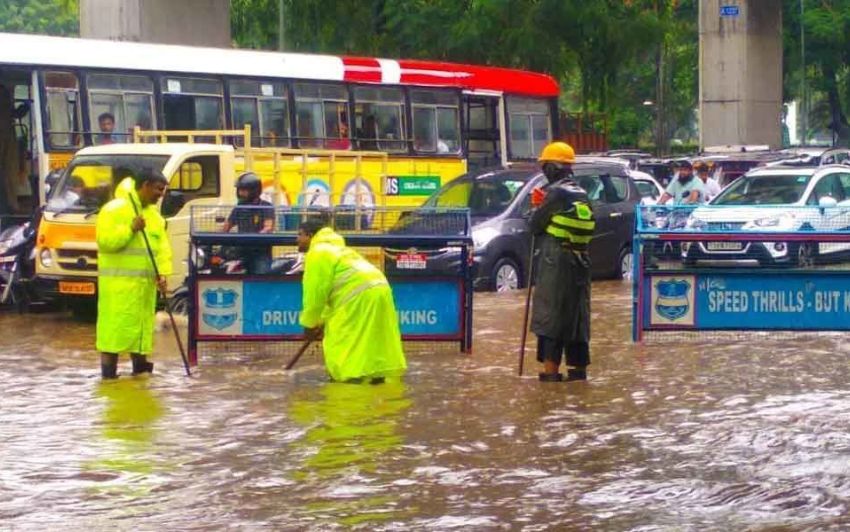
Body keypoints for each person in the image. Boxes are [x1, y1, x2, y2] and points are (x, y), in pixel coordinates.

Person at [297, 216, 407, 383]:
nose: (297, 240)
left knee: (345, 340)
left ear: (310, 235)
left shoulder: (318, 252)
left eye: (299, 235)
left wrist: (309, 324)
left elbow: (316, 294)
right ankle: (377, 378)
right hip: (380, 290)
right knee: (375, 340)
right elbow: (333, 291)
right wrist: (322, 319)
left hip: (359, 297)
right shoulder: (341, 250)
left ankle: (350, 380)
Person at [529, 142, 595, 382]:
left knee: (551, 318)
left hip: (555, 262)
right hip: (581, 262)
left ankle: (550, 376)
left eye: (545, 166)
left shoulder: (555, 193)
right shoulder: (582, 193)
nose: (543, 171)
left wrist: (536, 207)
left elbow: (534, 226)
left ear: (553, 167)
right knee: (577, 318)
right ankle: (578, 373)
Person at [96, 169, 172, 379]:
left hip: (144, 288)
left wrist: (163, 274)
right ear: (145, 185)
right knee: (113, 335)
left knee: (141, 333)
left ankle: (139, 376)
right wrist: (130, 229)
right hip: (118, 288)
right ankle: (109, 379)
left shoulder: (155, 216)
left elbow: (162, 248)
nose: (160, 195)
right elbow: (105, 242)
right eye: (158, 189)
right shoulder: (114, 210)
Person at [222, 172, 274, 274]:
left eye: (243, 190)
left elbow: (268, 227)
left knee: (261, 276)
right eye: (239, 190)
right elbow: (227, 226)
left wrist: (255, 237)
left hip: (260, 253)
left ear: (254, 190)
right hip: (241, 251)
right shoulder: (239, 208)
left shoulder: (266, 207)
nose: (240, 193)